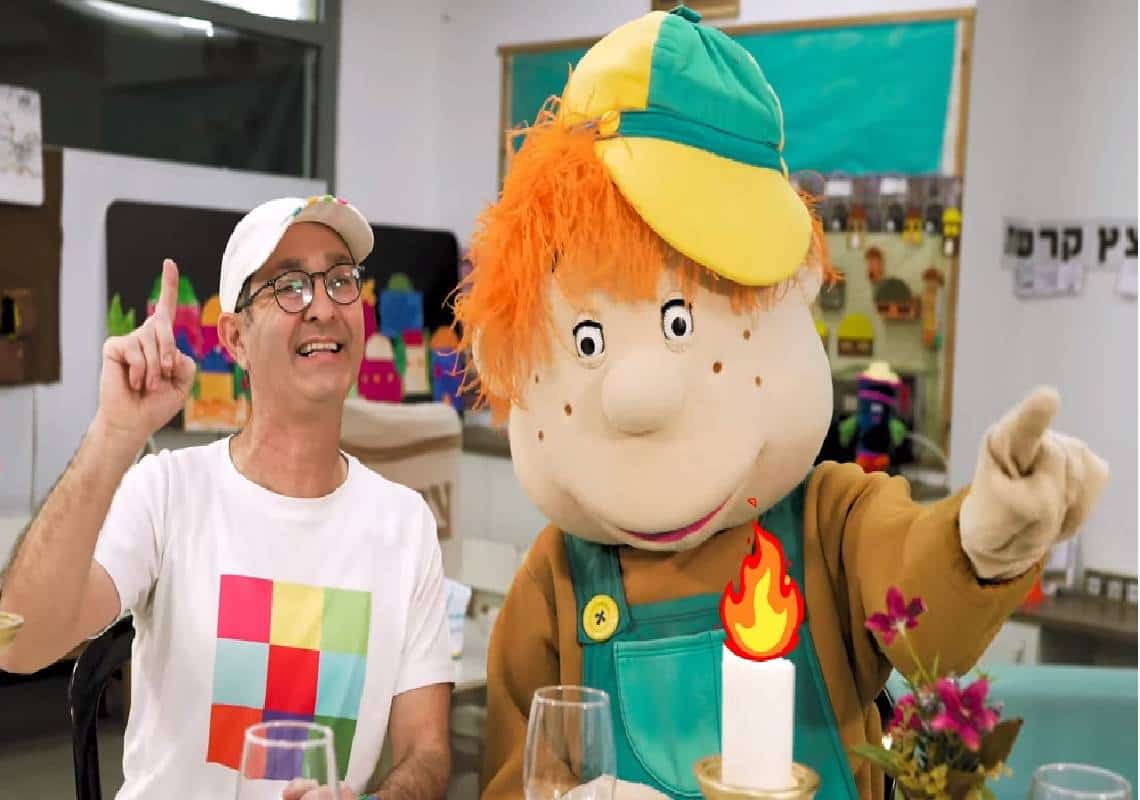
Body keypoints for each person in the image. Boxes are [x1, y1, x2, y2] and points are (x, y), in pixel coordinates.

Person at [452, 8, 1108, 800]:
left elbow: (922, 601)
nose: (637, 393)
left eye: (680, 323)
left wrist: (986, 537)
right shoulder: (558, 579)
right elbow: (514, 770)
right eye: (587, 340)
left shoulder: (830, 523)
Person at [0, 195, 453, 800]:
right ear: (235, 339)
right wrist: (113, 434)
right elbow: (21, 643)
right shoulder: (169, 492)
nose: (323, 306)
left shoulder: (405, 524)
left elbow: (427, 753)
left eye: (341, 280)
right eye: (290, 286)